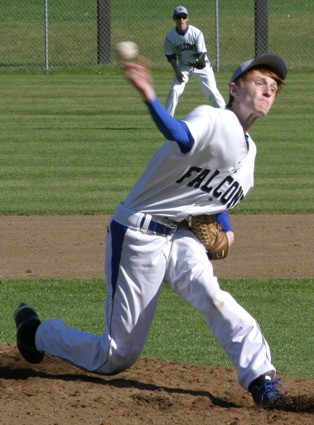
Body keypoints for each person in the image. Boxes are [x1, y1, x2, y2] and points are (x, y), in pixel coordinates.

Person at [14, 51, 294, 410]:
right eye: (259, 82)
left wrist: (228, 229)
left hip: (180, 238)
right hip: (138, 233)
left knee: (214, 296)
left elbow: (213, 196)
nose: (268, 91)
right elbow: (178, 133)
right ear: (234, 90)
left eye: (273, 87)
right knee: (115, 356)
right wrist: (149, 94)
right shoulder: (214, 119)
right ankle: (36, 333)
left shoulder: (250, 153)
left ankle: (261, 379)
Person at [164, 6, 226, 116]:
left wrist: (200, 61)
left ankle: (227, 117)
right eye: (179, 17)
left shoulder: (196, 33)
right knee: (175, 90)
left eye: (184, 17)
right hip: (184, 66)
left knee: (212, 91)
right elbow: (171, 56)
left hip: (202, 67)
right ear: (174, 19)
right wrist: (177, 72)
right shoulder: (170, 37)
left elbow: (201, 54)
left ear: (187, 18)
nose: (181, 20)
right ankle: (167, 120)